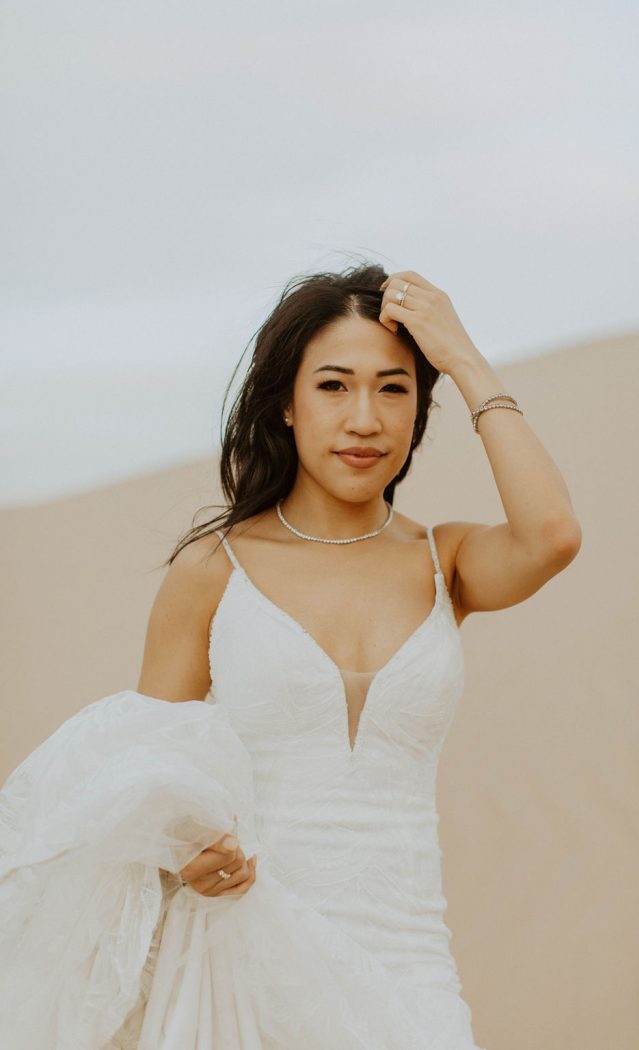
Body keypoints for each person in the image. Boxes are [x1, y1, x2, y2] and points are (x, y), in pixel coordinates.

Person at [0, 262, 581, 1049]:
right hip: (242, 959)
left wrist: (464, 358)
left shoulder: (443, 562)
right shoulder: (215, 568)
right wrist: (187, 854)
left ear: (420, 408)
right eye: (333, 386)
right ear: (286, 402)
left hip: (409, 964)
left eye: (395, 389)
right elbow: (148, 773)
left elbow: (552, 536)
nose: (364, 419)